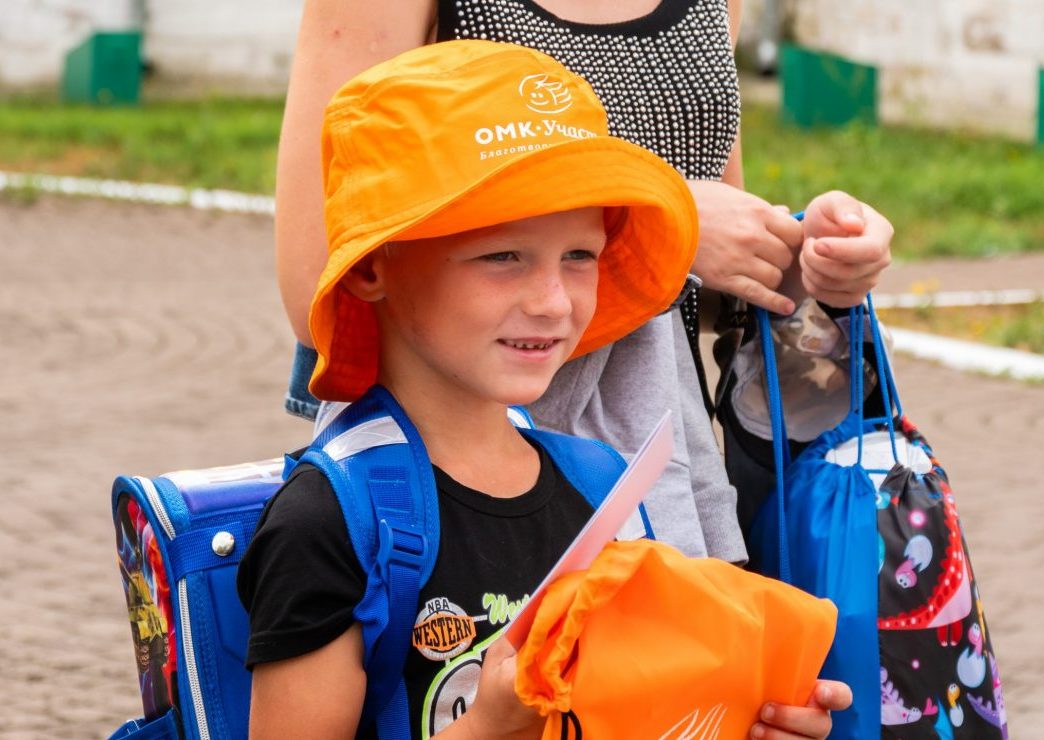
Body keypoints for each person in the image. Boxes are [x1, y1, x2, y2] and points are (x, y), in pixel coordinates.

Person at [240, 41, 848, 740]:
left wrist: (734, 719)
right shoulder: (330, 522)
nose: (555, 302)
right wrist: (486, 730)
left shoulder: (604, 487)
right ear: (375, 267)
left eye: (580, 256)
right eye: (503, 257)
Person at [273, 0, 894, 571]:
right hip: (455, 476)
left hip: (652, 463)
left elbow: (697, 287)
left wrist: (808, 265)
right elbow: (322, 280)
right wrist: (666, 224)